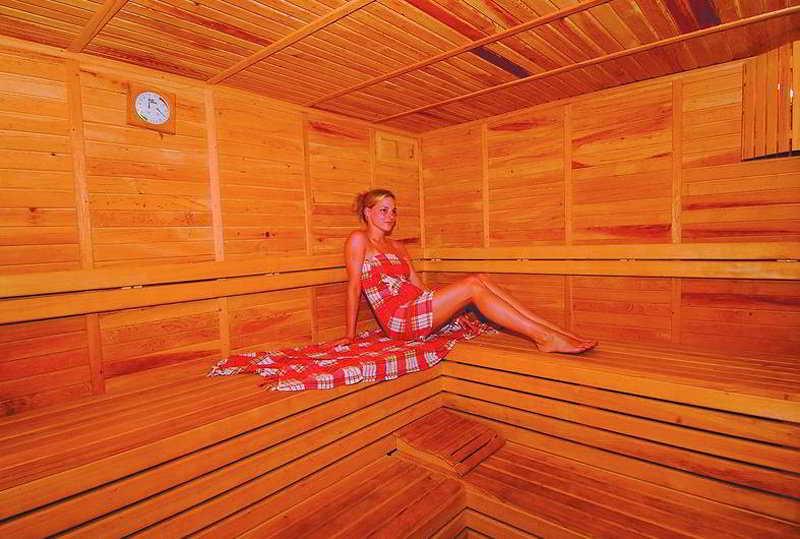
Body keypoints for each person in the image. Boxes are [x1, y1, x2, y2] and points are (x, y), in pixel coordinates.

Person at [333, 188, 597, 354]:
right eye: (383, 210)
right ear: (368, 212)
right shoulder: (358, 240)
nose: (390, 216)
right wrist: (349, 335)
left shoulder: (398, 246)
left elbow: (420, 288)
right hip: (398, 320)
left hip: (416, 308)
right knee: (472, 284)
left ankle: (556, 331)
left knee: (480, 279)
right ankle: (544, 338)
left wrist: (449, 310)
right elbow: (354, 287)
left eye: (393, 211)